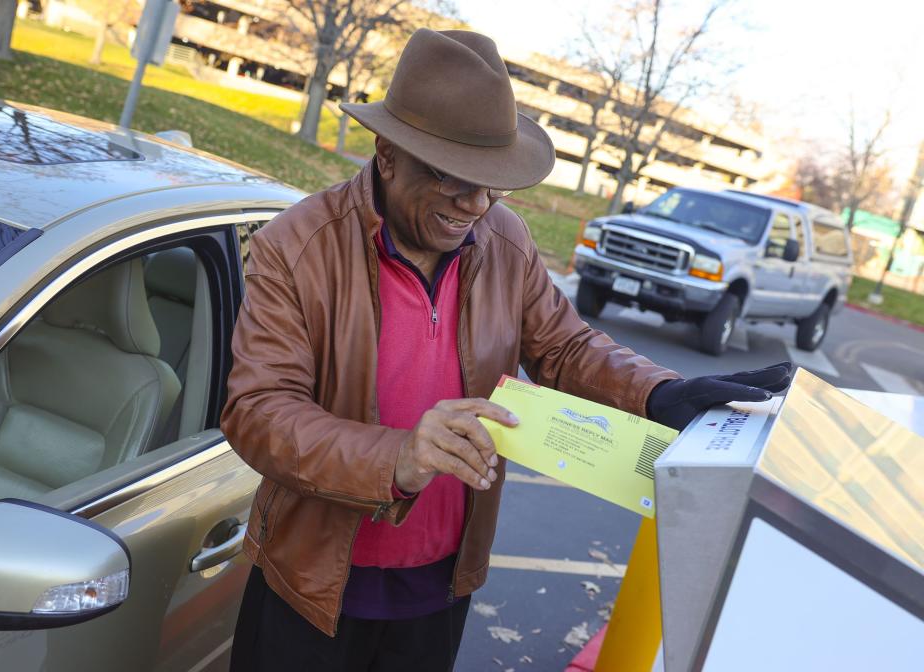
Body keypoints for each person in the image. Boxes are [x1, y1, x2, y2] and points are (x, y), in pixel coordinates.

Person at [220, 28, 791, 672]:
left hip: (439, 585)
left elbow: (566, 347)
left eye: (492, 182)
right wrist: (397, 457)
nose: (477, 203)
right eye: (454, 179)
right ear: (386, 154)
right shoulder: (297, 246)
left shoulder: (503, 239)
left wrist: (660, 393)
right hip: (312, 586)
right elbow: (259, 412)